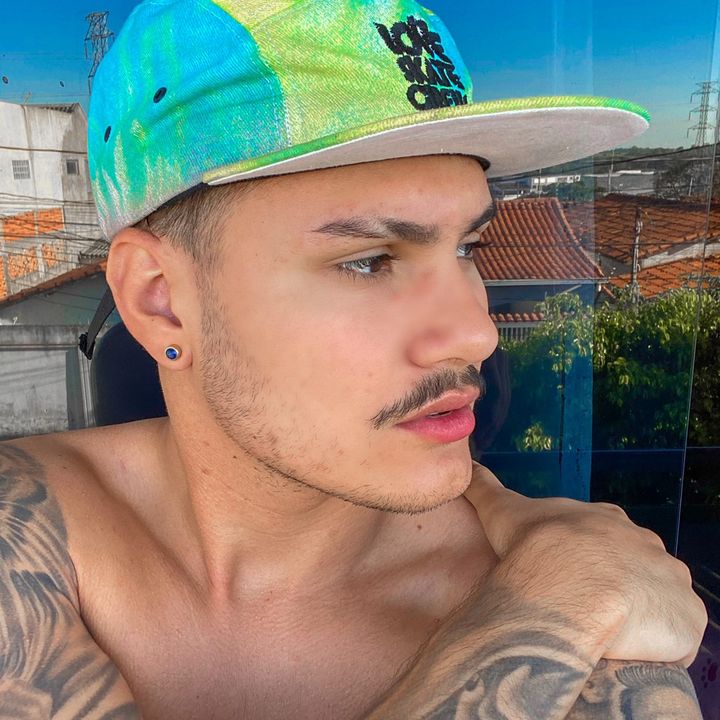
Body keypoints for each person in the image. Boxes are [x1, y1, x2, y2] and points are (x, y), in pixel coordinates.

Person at [0, 0, 707, 718]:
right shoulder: (26, 525)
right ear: (160, 302)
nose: (477, 335)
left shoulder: (609, 668)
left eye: (468, 247)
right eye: (369, 261)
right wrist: (537, 617)